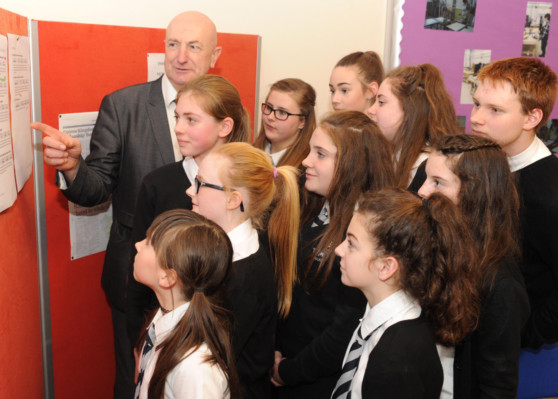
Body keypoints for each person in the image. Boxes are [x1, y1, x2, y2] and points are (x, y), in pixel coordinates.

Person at [32, 11, 222, 398]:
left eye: (194, 46)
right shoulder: (124, 105)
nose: (181, 56)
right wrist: (73, 166)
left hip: (207, 279)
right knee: (135, 379)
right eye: (173, 44)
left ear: (214, 55)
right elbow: (96, 189)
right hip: (138, 279)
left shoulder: (226, 108)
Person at [271, 111, 395, 398]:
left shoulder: (363, 238)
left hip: (316, 379)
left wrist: (288, 372)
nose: (305, 161)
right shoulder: (316, 207)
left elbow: (344, 330)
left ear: (352, 165)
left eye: (321, 154)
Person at [128, 74, 250, 365]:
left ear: (225, 126)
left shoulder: (247, 181)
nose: (178, 128)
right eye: (177, 117)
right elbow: (136, 275)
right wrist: (139, 337)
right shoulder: (158, 183)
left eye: (191, 120)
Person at [471, 57, 558, 348]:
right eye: (476, 104)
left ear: (531, 118)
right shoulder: (484, 163)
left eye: (495, 110)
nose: (476, 118)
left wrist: (517, 339)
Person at [331, 188, 480, 398]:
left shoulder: (394, 361)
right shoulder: (381, 317)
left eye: (351, 244)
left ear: (385, 267)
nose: (339, 249)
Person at [418, 134, 530, 397]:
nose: (422, 191)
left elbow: (497, 387)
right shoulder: (431, 246)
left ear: (473, 194)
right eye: (426, 178)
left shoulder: (501, 286)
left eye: (437, 182)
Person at [186, 142, 300, 399]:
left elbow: (211, 357)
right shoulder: (226, 252)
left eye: (200, 183)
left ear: (232, 199)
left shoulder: (243, 277)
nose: (190, 190)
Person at [132, 209, 239, 398]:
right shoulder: (162, 317)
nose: (138, 245)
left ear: (167, 278)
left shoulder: (194, 369)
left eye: (148, 243)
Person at [367, 63, 460, 189]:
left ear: (409, 111)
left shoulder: (427, 169)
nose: (371, 110)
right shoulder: (391, 158)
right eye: (374, 102)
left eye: (381, 102)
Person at [253, 79, 317, 167]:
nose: (270, 117)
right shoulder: (249, 154)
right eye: (269, 107)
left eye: (282, 112)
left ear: (302, 121)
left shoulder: (305, 169)